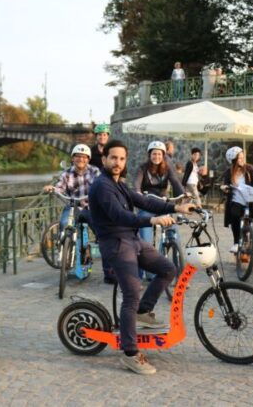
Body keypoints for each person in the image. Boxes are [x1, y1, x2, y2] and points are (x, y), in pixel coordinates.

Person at [88, 139, 192, 375]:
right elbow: (120, 216)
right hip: (116, 243)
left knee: (167, 269)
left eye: (122, 159)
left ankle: (143, 312)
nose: (117, 162)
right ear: (104, 159)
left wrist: (176, 208)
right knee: (132, 293)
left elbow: (144, 201)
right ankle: (130, 353)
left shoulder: (120, 183)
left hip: (131, 239)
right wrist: (151, 220)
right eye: (113, 158)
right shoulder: (102, 186)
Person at [43, 144, 109, 282]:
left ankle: (108, 267)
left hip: (90, 207)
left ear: (88, 159)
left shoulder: (95, 171)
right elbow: (60, 187)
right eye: (78, 156)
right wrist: (53, 188)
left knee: (101, 232)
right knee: (64, 224)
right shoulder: (67, 173)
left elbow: (102, 185)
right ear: (72, 158)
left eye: (84, 157)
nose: (81, 159)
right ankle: (65, 249)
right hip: (73, 206)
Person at [133, 141, 185, 281]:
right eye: (154, 153)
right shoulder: (142, 168)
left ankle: (180, 273)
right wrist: (137, 193)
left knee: (174, 235)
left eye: (159, 154)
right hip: (147, 205)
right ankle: (144, 271)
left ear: (163, 155)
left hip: (163, 205)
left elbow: (176, 183)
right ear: (149, 155)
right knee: (145, 239)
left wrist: (184, 195)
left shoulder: (167, 169)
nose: (156, 156)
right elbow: (136, 184)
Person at [220, 147, 253, 273]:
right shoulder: (229, 172)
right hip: (236, 202)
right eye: (240, 157)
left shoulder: (248, 169)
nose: (242, 159)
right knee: (234, 217)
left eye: (243, 157)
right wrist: (224, 188)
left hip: (250, 202)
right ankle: (237, 244)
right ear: (233, 160)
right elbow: (225, 184)